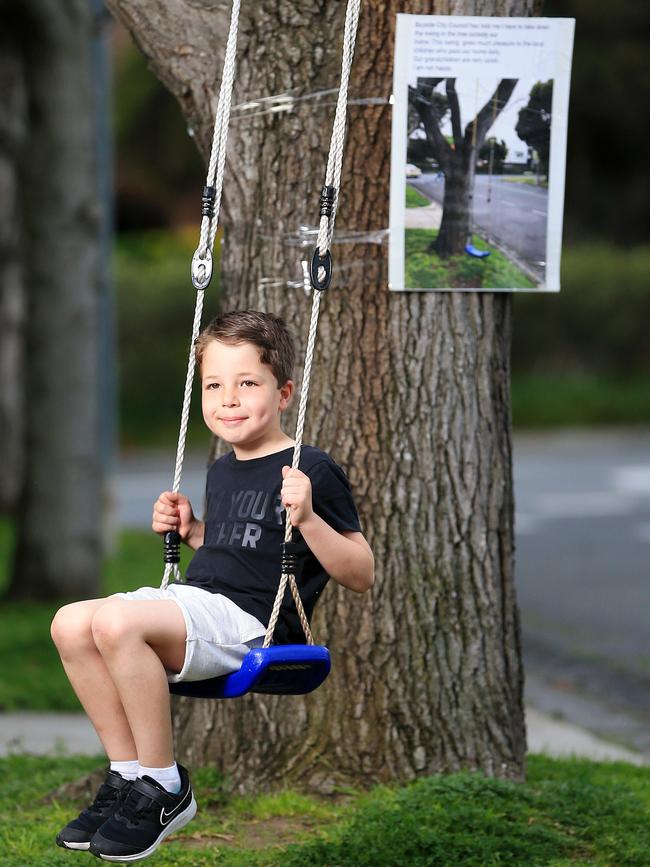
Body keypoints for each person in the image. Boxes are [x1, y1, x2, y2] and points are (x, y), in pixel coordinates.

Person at [50, 309, 374, 862]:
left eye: (247, 383)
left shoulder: (309, 468)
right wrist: (193, 530)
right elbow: (239, 553)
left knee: (116, 623)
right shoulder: (223, 467)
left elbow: (360, 573)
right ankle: (129, 777)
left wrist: (311, 518)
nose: (228, 399)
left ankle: (165, 787)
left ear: (285, 392)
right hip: (201, 604)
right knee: (71, 624)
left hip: (252, 627)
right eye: (214, 385)